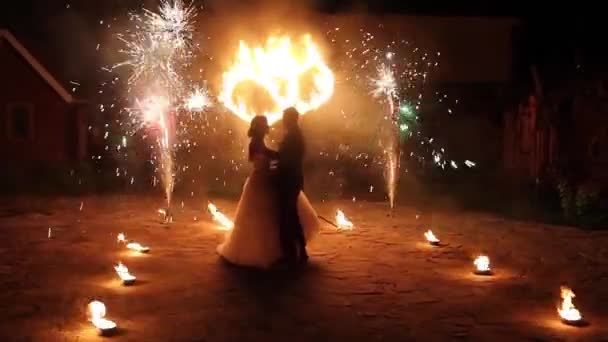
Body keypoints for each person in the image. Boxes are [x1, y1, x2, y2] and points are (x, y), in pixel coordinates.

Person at [216, 115, 319, 269]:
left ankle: (290, 253)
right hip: (261, 181)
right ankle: (288, 253)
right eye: (264, 125)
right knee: (274, 216)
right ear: (259, 127)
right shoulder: (256, 143)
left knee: (282, 216)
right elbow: (261, 158)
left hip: (267, 180)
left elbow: (269, 155)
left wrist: (278, 159)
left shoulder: (262, 142)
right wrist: (278, 160)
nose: (267, 127)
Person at [276, 107, 308, 265]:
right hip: (293, 178)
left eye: (284, 117)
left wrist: (277, 165)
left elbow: (288, 159)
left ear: (290, 119)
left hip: (290, 179)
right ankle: (300, 251)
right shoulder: (294, 134)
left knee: (286, 216)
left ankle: (290, 255)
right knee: (292, 215)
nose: (282, 120)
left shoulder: (293, 136)